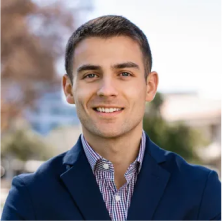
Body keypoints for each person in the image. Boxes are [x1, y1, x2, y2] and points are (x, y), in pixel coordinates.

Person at [2, 15, 222, 221]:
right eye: (91, 75)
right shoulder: (29, 196)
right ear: (69, 89)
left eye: (124, 74)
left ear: (150, 86)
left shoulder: (202, 190)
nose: (107, 90)